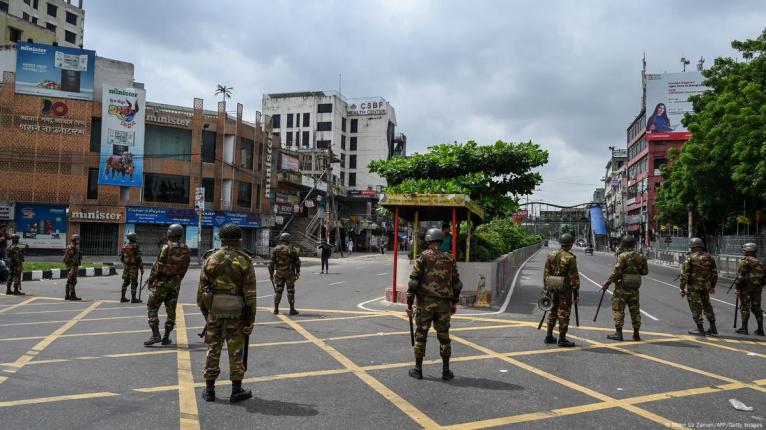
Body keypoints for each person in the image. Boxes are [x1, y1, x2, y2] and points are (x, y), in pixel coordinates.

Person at [197, 224, 258, 403]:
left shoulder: (210, 259)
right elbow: (250, 295)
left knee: (212, 349)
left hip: (214, 311)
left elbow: (201, 292)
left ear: (220, 238)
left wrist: (206, 314)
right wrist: (250, 321)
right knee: (236, 350)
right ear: (239, 239)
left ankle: (209, 390)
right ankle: (236, 390)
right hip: (237, 313)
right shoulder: (244, 260)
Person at [406, 228, 462, 380]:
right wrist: (454, 302)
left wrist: (410, 305)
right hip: (444, 305)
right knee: (444, 336)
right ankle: (445, 371)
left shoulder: (422, 258)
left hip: (425, 304)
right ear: (440, 241)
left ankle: (418, 369)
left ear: (429, 241)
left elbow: (413, 283)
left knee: (421, 335)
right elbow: (457, 285)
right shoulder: (450, 259)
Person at [144, 224, 191, 346]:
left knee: (152, 307)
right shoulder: (186, 249)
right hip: (175, 284)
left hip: (161, 283)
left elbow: (157, 267)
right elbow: (185, 268)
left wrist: (151, 280)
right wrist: (178, 279)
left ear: (169, 233)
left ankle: (155, 335)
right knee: (171, 311)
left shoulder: (166, 247)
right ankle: (166, 337)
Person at [601, 236, 648, 341]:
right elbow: (645, 272)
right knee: (635, 310)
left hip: (621, 288)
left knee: (618, 309)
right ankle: (636, 334)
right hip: (634, 287)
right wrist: (634, 271)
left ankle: (618, 333)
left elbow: (616, 272)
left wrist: (607, 283)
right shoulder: (641, 256)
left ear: (624, 245)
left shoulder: (622, 256)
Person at [542, 233, 580, 347]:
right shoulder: (570, 258)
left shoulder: (551, 255)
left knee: (552, 310)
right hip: (565, 289)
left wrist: (546, 288)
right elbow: (574, 277)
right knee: (563, 312)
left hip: (552, 286)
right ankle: (562, 338)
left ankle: (549, 335)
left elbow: (546, 273)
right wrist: (576, 293)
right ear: (571, 244)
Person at [679, 237, 718, 336]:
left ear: (692, 247)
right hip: (706, 286)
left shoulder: (690, 258)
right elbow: (714, 273)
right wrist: (713, 286)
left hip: (694, 287)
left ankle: (700, 329)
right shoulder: (709, 257)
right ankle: (713, 327)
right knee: (707, 305)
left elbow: (685, 275)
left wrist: (682, 287)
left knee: (696, 307)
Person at [734, 243, 764, 336]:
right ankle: (760, 329)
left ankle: (744, 328)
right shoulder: (761, 261)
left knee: (744, 307)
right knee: (757, 308)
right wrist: (759, 285)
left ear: (748, 251)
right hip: (757, 288)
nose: (743, 251)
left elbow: (740, 276)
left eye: (744, 250)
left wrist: (737, 288)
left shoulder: (744, 261)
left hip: (746, 288)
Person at [269, 233, 300, 315]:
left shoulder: (276, 249)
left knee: (278, 291)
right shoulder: (292, 249)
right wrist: (298, 272)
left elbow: (271, 263)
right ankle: (292, 309)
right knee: (290, 291)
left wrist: (271, 274)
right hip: (289, 274)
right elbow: (297, 261)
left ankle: (276, 309)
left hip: (279, 273)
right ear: (287, 239)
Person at [119, 232, 144, 303]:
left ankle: (122, 297)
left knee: (125, 282)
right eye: (135, 237)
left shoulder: (124, 246)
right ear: (133, 238)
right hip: (133, 267)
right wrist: (141, 268)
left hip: (126, 267)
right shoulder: (135, 246)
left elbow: (122, 258)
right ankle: (133, 298)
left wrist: (126, 264)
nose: (136, 238)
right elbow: (138, 258)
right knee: (134, 282)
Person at [63, 234, 83, 301]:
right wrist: (72, 269)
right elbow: (73, 260)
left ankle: (67, 295)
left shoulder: (69, 246)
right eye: (78, 239)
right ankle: (72, 296)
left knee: (69, 281)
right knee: (72, 281)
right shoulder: (73, 247)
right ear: (75, 240)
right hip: (72, 267)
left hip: (69, 266)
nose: (79, 241)